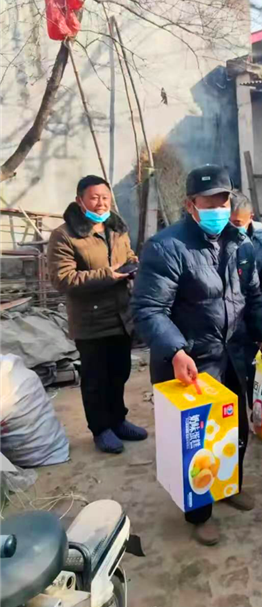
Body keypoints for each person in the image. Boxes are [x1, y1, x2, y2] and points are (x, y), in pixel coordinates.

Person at [131, 165, 262, 547]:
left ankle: (230, 485)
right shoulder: (166, 247)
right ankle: (200, 513)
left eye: (223, 201)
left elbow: (254, 295)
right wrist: (175, 350)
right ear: (190, 205)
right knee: (198, 444)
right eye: (208, 202)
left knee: (236, 428)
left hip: (234, 355)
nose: (217, 209)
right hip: (192, 361)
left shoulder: (242, 244)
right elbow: (148, 309)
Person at [48, 175, 147, 454]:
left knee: (119, 373)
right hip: (90, 321)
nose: (101, 203)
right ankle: (101, 429)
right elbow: (63, 279)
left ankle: (118, 420)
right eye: (94, 197)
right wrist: (108, 275)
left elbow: (128, 255)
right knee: (95, 379)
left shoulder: (116, 227)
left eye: (105, 197)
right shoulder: (65, 235)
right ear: (80, 201)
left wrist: (133, 265)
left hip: (121, 316)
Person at [230, 192, 262, 406]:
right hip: (225, 326)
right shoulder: (216, 240)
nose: (232, 228)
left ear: (250, 217)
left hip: (253, 321)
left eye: (237, 223)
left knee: (256, 377)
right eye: (228, 222)